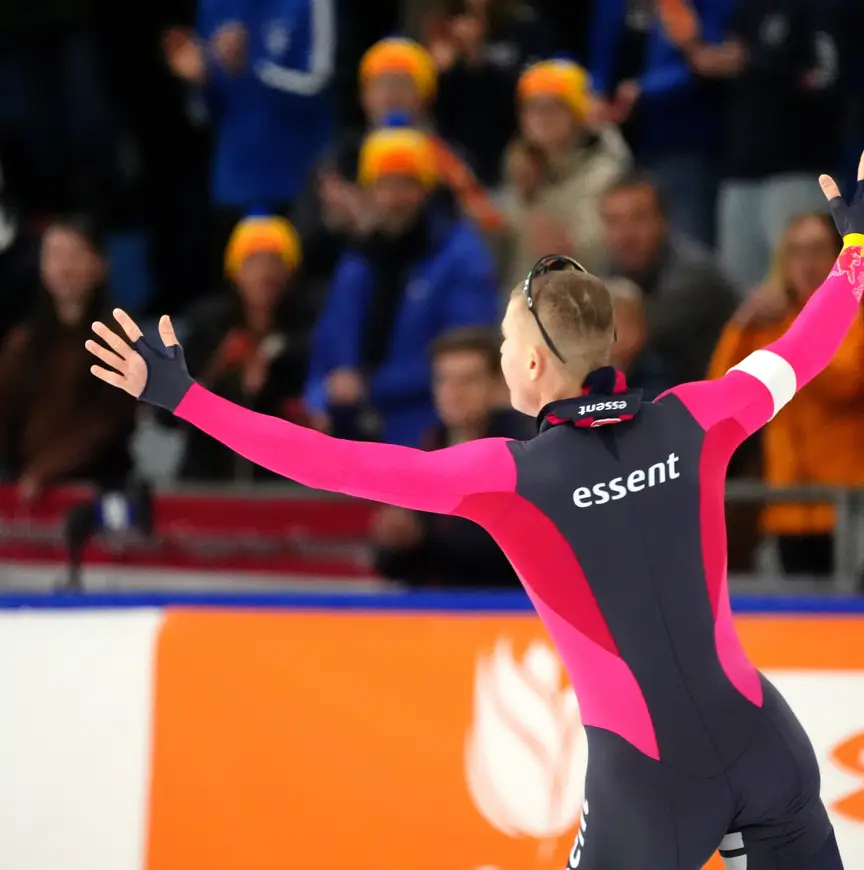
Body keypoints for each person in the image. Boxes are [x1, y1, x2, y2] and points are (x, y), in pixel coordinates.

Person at [86, 152, 864, 868]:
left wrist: (187, 399)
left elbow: (328, 462)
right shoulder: (701, 414)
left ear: (529, 362)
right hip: (766, 742)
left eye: (502, 340)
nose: (497, 357)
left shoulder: (507, 475)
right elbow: (810, 340)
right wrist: (856, 247)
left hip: (652, 783)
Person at [303, 124, 499, 447]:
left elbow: (469, 349)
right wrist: (318, 395)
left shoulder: (462, 256)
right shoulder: (357, 259)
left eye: (406, 183)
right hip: (349, 432)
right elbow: (327, 343)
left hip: (428, 430)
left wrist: (369, 387)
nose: (394, 197)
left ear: (426, 189)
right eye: (383, 184)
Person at [708, 212, 864, 577]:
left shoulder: (855, 316)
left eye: (816, 250)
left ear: (837, 255)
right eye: (795, 251)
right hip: (785, 510)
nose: (806, 263)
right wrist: (742, 323)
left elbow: (844, 383)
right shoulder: (768, 325)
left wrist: (799, 323)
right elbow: (721, 392)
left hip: (850, 507)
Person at [372, 325, 531, 587]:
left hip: (504, 609)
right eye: (444, 379)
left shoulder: (522, 450)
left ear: (497, 386)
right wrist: (393, 542)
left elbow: (509, 550)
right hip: (432, 610)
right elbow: (390, 565)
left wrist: (422, 539)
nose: (454, 392)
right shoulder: (423, 449)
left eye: (468, 380)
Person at [0, 215, 135, 499]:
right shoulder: (23, 341)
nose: (63, 268)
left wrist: (46, 469)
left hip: (98, 487)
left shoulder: (119, 335)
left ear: (99, 264)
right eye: (54, 256)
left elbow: (110, 420)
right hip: (24, 487)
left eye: (73, 255)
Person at [600, 172, 738, 383]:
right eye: (613, 222)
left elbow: (632, 337)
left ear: (663, 221)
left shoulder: (695, 274)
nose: (625, 235)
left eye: (638, 218)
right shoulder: (611, 270)